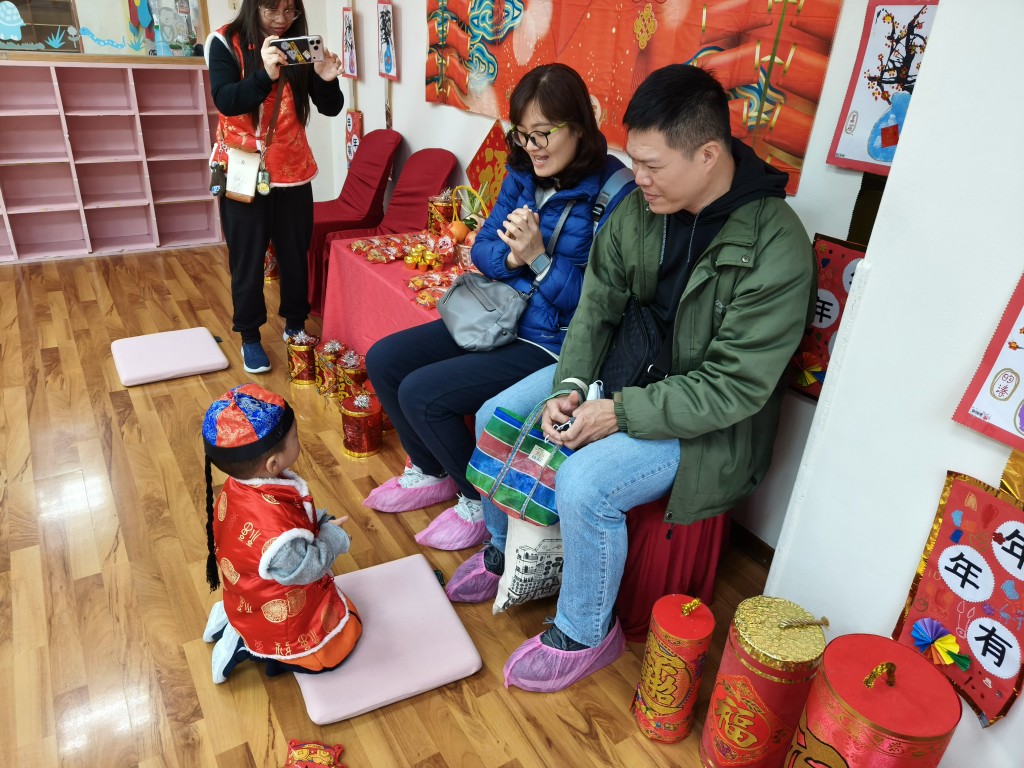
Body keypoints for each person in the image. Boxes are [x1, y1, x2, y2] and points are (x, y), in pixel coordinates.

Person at [445, 64, 817, 693]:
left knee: (585, 484)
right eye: (635, 160)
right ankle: (506, 553)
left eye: (651, 164)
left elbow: (733, 388)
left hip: (706, 423)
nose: (636, 177)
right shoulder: (644, 209)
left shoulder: (775, 246)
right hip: (619, 375)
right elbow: (596, 307)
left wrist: (617, 413)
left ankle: (586, 631)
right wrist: (571, 385)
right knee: (494, 416)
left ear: (707, 154)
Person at [363, 63, 635, 551]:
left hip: (553, 340)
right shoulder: (522, 172)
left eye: (544, 133)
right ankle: (431, 470)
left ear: (579, 126)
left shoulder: (615, 193)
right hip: (499, 312)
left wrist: (538, 260)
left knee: (423, 394)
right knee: (385, 359)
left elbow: (599, 304)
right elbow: (484, 249)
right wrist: (514, 257)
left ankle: (473, 498)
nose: (533, 147)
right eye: (523, 134)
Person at [206, 0, 344, 374]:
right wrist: (264, 74)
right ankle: (250, 336)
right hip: (242, 166)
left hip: (292, 169)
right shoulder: (225, 42)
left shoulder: (298, 45)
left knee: (294, 254)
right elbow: (226, 100)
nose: (281, 20)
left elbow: (330, 108)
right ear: (254, 6)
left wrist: (326, 79)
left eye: (290, 11)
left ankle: (295, 325)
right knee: (247, 258)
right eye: (272, 11)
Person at [201, 384, 361, 683]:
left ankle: (235, 617)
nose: (300, 439)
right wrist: (332, 538)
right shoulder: (279, 542)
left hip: (245, 588)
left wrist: (318, 521)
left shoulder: (240, 484)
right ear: (273, 463)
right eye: (295, 437)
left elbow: (284, 521)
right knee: (342, 639)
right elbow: (306, 568)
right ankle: (246, 643)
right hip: (278, 617)